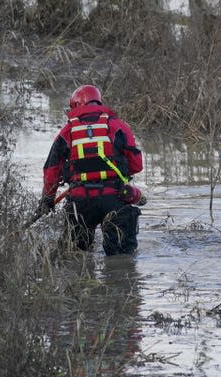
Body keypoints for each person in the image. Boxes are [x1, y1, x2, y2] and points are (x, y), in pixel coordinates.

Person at [37, 84, 144, 255]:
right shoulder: (118, 126)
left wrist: (47, 199)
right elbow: (137, 165)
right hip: (116, 198)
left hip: (80, 203)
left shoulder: (67, 131)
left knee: (77, 256)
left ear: (76, 105)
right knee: (122, 259)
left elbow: (52, 170)